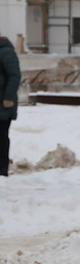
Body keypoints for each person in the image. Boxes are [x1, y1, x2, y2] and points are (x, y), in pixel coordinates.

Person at [0, 35, 20, 177]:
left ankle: (2, 168)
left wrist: (8, 98)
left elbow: (14, 76)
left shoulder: (6, 52)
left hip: (3, 103)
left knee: (1, 136)